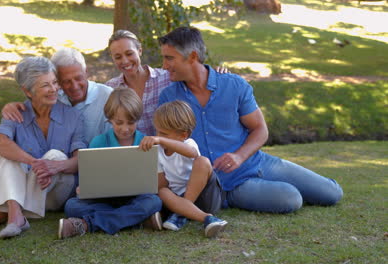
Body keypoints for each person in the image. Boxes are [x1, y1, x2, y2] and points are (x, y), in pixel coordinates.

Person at [157, 27, 343, 214]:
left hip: (257, 162)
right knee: (291, 198)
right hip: (228, 184)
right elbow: (168, 147)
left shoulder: (234, 85)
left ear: (192, 57)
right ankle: (229, 198)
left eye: (169, 58)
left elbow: (260, 129)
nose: (164, 65)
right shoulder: (169, 97)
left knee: (332, 193)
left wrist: (239, 156)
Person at [0, 56, 86, 239]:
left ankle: (1, 213)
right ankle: (16, 216)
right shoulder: (16, 113)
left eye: (54, 82)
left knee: (55, 155)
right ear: (27, 91)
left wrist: (55, 166)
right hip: (28, 177)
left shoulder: (73, 116)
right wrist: (33, 162)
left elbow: (80, 160)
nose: (53, 90)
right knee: (8, 153)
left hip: (57, 189)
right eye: (45, 85)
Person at [58, 88, 162, 239]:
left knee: (154, 201)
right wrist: (84, 188)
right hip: (103, 200)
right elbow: (88, 178)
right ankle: (138, 219)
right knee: (72, 206)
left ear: (138, 119)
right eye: (119, 123)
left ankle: (86, 225)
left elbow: (152, 179)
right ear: (110, 119)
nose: (125, 129)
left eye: (131, 123)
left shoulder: (145, 142)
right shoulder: (98, 142)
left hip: (135, 198)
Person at [106, 30, 229, 136]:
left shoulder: (168, 77)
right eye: (118, 57)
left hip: (166, 152)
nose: (125, 61)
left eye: (129, 53)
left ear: (140, 51)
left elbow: (195, 73)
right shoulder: (110, 89)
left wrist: (217, 74)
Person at [139, 100, 227, 238]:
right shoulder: (157, 153)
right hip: (178, 202)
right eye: (157, 132)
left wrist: (161, 140)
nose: (158, 136)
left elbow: (192, 153)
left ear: (183, 135)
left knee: (203, 161)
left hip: (204, 197)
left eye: (164, 134)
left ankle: (181, 214)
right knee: (162, 191)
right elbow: (163, 185)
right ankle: (206, 218)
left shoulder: (188, 144)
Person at [2, 47, 113, 143]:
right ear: (57, 80)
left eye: (78, 78)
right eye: (66, 81)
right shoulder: (54, 97)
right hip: (62, 161)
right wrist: (11, 107)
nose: (74, 86)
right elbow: (33, 102)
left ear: (86, 72)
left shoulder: (109, 96)